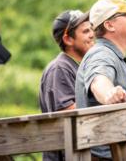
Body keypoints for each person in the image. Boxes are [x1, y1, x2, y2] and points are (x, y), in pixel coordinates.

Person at [75, 0, 126, 161]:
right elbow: (98, 80)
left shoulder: (114, 56)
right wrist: (108, 93)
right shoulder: (102, 54)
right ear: (109, 25)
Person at [39, 9, 94, 161]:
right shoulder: (60, 68)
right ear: (68, 39)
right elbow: (69, 115)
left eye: (91, 29)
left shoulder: (77, 66)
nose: (92, 34)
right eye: (85, 31)